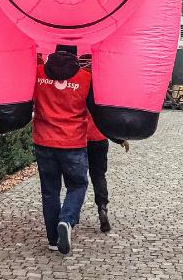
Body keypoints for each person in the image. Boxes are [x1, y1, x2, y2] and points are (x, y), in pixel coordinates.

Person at [33, 46, 91, 255]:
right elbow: (96, 110)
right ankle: (66, 221)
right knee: (77, 184)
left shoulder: (38, 73)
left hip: (44, 141)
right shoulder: (85, 78)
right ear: (75, 56)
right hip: (72, 143)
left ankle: (52, 240)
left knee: (49, 192)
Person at [79, 54, 129, 234]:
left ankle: (73, 212)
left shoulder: (77, 83)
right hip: (99, 138)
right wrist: (119, 138)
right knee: (99, 176)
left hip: (78, 138)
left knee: (78, 178)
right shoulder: (103, 86)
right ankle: (102, 209)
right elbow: (108, 118)